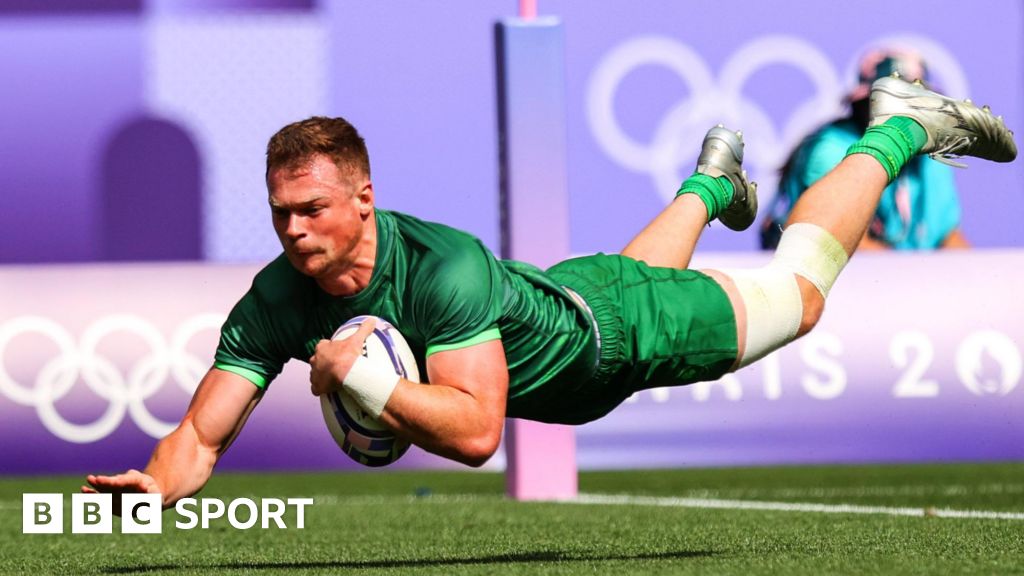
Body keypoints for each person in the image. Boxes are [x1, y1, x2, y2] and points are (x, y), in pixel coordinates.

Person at [84, 75, 1016, 511]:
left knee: (800, 296)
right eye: (281, 213)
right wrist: (156, 482)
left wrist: (357, 380)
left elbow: (478, 434)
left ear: (365, 199)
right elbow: (203, 433)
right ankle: (710, 188)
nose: (294, 231)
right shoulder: (275, 297)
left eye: (313, 209)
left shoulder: (439, 265)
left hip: (618, 335)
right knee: (634, 272)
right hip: (571, 298)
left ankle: (894, 132)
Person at [762, 49, 969, 250]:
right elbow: (840, 242)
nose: (902, 112)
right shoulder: (832, 151)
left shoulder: (930, 157)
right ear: (864, 102)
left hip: (900, 280)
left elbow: (948, 236)